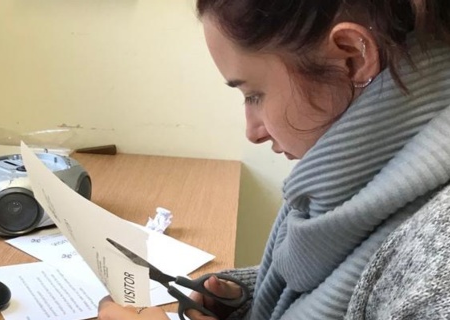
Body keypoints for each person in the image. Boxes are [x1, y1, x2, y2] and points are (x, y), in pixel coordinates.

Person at [98, 0, 450, 319]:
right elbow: (358, 283)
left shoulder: (440, 259)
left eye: (254, 95)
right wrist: (249, 295)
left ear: (351, 58)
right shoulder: (347, 185)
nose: (253, 132)